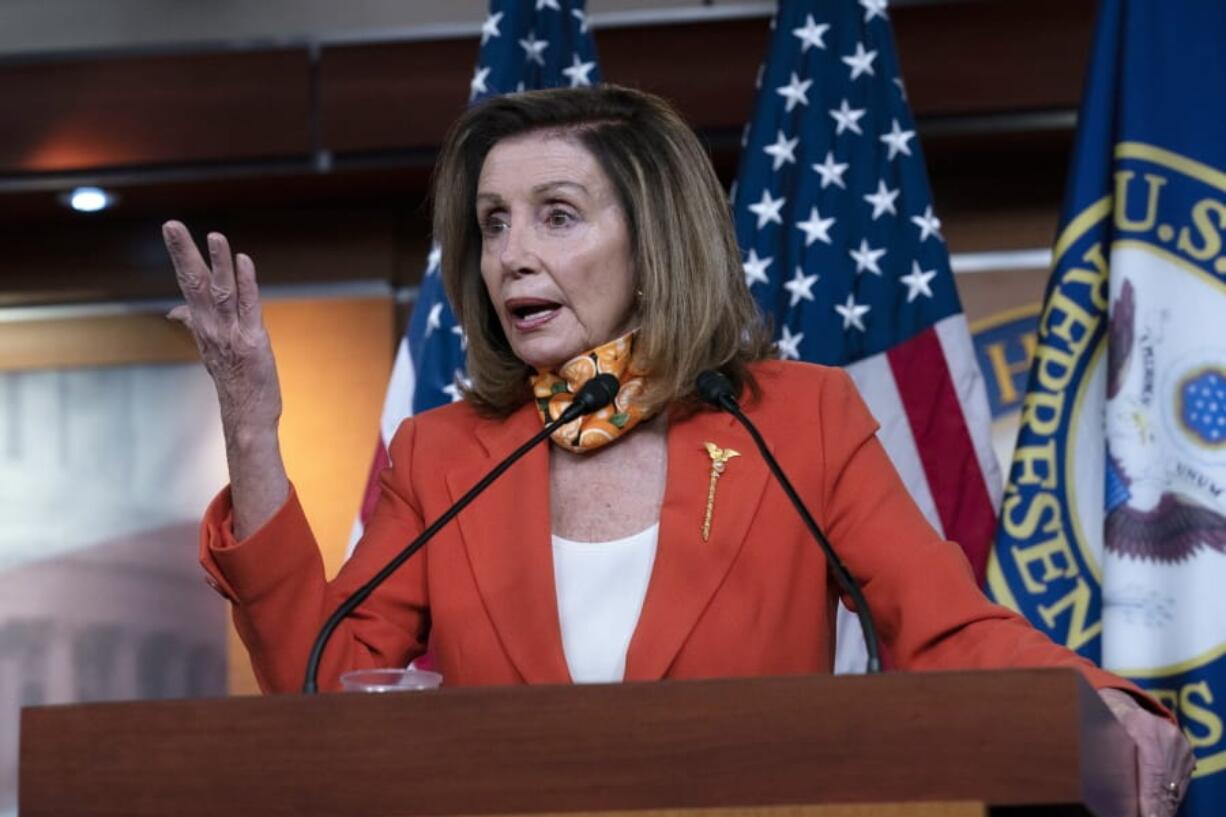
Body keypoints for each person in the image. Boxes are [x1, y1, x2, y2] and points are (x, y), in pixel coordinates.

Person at [162, 84, 1193, 815]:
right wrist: (249, 425)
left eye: (554, 216)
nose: (510, 253)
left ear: (654, 242)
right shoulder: (444, 453)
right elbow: (324, 688)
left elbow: (946, 627)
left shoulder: (797, 420)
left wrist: (1098, 699)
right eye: (491, 223)